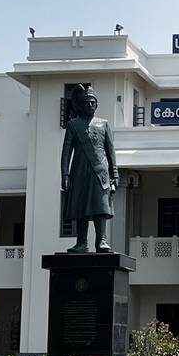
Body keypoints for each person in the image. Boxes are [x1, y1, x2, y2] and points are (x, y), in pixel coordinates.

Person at [60, 85, 118, 252]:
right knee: (80, 208)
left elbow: (110, 151)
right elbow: (66, 152)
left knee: (100, 207)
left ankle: (101, 240)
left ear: (96, 105)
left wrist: (114, 173)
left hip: (100, 172)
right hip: (79, 171)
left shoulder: (104, 124)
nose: (90, 106)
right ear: (81, 105)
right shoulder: (73, 125)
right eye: (86, 103)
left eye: (93, 103)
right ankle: (81, 243)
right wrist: (65, 173)